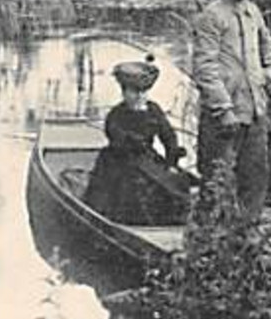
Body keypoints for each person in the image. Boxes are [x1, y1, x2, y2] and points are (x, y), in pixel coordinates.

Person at [191, 0, 271, 220]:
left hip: (254, 110)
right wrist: (224, 108)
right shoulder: (211, 16)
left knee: (255, 176)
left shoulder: (253, 12)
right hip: (223, 116)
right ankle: (205, 241)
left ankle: (245, 234)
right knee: (215, 178)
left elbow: (269, 47)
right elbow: (204, 68)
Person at [82, 56, 192, 225]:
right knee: (135, 187)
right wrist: (134, 142)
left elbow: (168, 136)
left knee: (176, 182)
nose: (139, 96)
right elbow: (118, 142)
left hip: (147, 158)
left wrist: (171, 162)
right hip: (120, 162)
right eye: (134, 92)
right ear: (124, 92)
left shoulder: (153, 110)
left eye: (143, 92)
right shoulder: (116, 115)